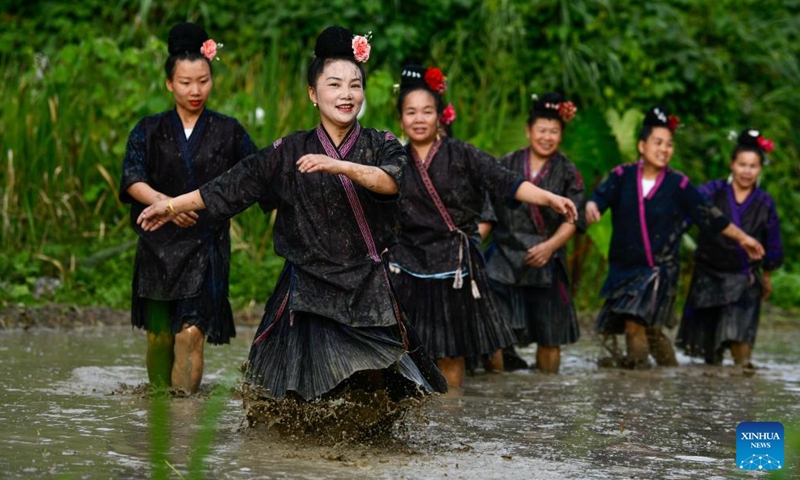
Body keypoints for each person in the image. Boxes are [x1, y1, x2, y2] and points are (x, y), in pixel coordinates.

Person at [137, 26, 447, 403]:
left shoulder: (381, 143)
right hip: (307, 291)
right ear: (313, 94)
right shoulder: (288, 149)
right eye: (334, 85)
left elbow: (391, 181)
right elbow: (231, 185)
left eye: (355, 85)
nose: (346, 94)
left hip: (368, 290)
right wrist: (170, 206)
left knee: (377, 393)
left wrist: (339, 166)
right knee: (290, 400)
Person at [389, 66, 578, 387]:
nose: (419, 119)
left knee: (451, 354)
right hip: (408, 268)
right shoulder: (393, 160)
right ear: (401, 119)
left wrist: (549, 198)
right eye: (411, 112)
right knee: (406, 352)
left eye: (427, 111)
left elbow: (507, 182)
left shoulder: (462, 154)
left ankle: (451, 413)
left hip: (453, 269)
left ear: (439, 116)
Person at [119, 22, 257, 393]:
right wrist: (166, 206)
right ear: (169, 84)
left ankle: (184, 414)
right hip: (157, 246)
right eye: (185, 82)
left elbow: (255, 175)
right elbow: (132, 179)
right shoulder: (147, 129)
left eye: (203, 81)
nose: (195, 91)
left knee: (191, 335)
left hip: (206, 246)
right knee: (160, 338)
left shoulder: (230, 131)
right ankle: (159, 408)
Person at [585, 106, 765, 369]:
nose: (664, 149)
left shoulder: (679, 184)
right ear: (642, 146)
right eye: (658, 143)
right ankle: (669, 372)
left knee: (635, 323)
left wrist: (743, 238)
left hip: (659, 271)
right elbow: (599, 198)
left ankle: (637, 379)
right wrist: (592, 206)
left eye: (669, 144)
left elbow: (710, 216)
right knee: (651, 331)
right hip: (624, 269)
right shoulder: (622, 175)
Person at [479, 92, 586, 374]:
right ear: (528, 131)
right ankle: (494, 390)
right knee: (493, 333)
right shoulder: (506, 164)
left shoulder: (568, 171)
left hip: (548, 261)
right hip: (503, 260)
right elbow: (488, 212)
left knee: (550, 337)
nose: (547, 137)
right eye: (541, 130)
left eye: (554, 131)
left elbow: (573, 219)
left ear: (561, 134)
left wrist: (550, 247)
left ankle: (547, 392)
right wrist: (469, 245)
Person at [676, 129, 783, 367]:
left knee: (740, 343)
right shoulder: (711, 192)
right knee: (709, 354)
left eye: (753, 166)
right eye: (742, 164)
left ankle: (742, 380)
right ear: (732, 165)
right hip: (708, 277)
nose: (747, 171)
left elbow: (772, 242)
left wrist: (767, 276)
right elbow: (689, 208)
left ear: (760, 169)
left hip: (744, 280)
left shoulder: (765, 203)